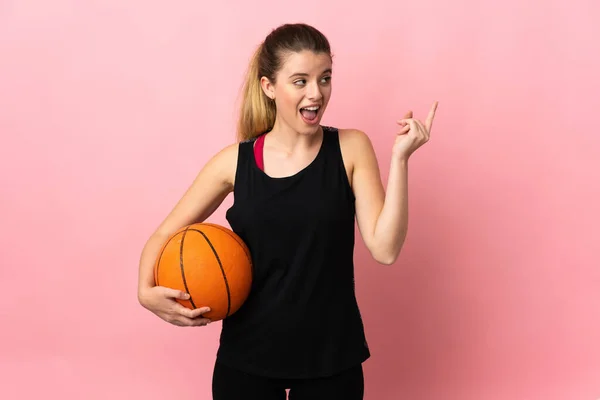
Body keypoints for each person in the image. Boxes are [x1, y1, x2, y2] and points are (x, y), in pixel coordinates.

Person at [137, 22, 437, 400]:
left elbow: (385, 249)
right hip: (247, 358)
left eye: (325, 78)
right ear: (269, 87)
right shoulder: (235, 163)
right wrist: (145, 292)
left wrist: (401, 159)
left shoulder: (351, 148)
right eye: (301, 81)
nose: (317, 93)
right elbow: (165, 234)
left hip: (332, 358)